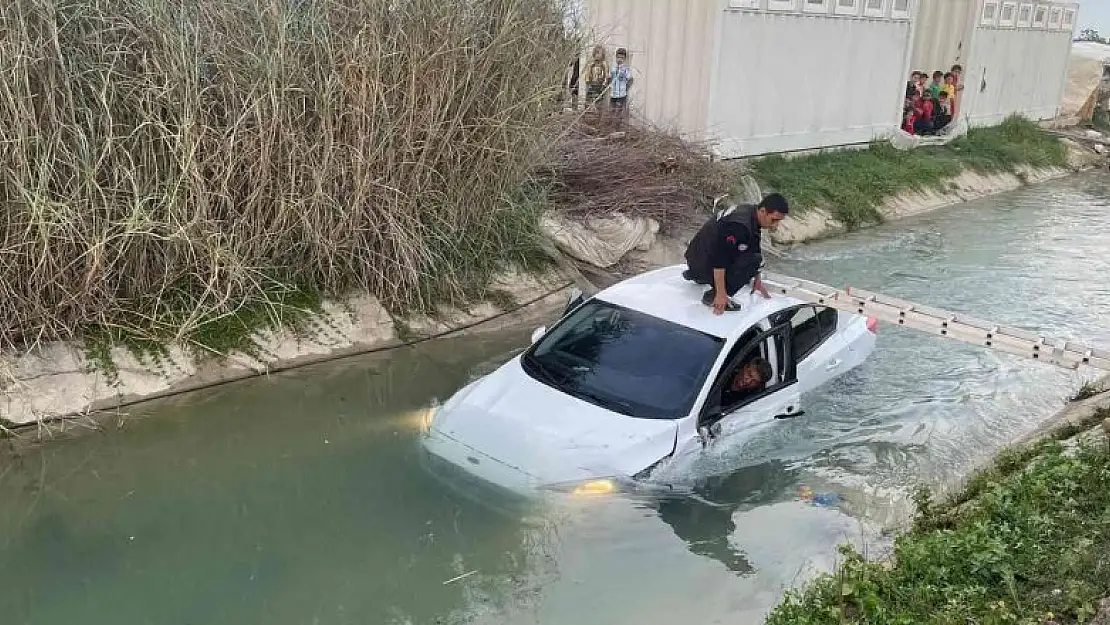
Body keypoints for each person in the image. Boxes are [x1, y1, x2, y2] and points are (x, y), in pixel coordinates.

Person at [683, 193, 789, 314]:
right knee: (754, 260)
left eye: (778, 221)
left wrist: (757, 279)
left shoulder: (750, 212)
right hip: (703, 263)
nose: (775, 225)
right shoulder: (740, 225)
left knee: (751, 255)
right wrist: (721, 294)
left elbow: (753, 246)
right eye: (774, 220)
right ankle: (712, 294)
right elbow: (720, 258)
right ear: (763, 211)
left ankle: (697, 275)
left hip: (696, 257)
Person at [609, 48, 633, 125]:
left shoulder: (626, 69)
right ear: (616, 57)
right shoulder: (613, 68)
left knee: (618, 111)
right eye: (618, 57)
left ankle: (616, 125)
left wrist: (626, 88)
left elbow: (630, 79)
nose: (619, 59)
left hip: (621, 94)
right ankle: (612, 124)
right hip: (613, 93)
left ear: (625, 59)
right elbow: (610, 77)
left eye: (622, 58)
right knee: (612, 110)